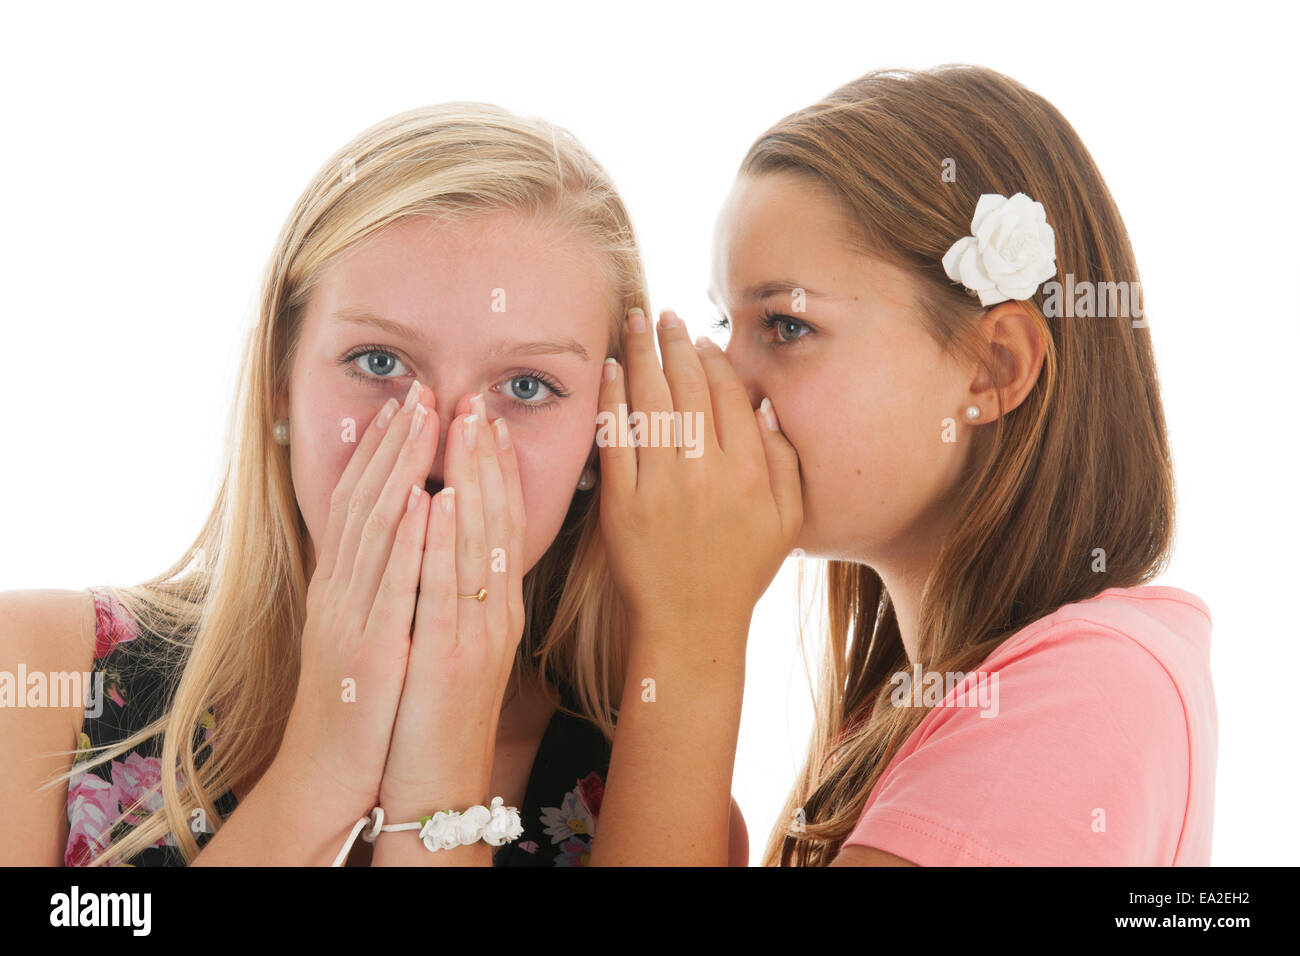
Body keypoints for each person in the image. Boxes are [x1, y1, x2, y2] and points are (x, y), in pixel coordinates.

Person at [1, 102, 747, 866]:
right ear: (281, 383)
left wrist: (441, 779)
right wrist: (324, 766)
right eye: (379, 363)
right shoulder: (32, 681)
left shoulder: (650, 806)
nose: (440, 450)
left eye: (525, 386)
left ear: (602, 435)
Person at [590, 65, 1217, 866]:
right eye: (725, 319)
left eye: (785, 325)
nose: (726, 381)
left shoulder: (1086, 691)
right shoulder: (919, 705)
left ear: (991, 368)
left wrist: (688, 628)